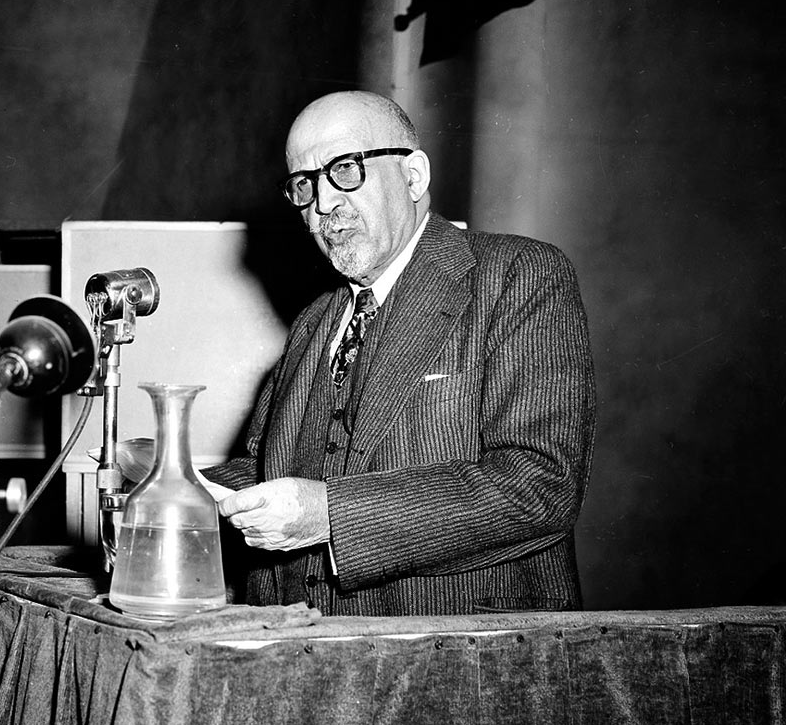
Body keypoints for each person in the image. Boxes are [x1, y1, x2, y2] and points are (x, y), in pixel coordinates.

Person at [204, 90, 596, 616]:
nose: (323, 205)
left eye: (345, 169)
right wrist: (178, 494)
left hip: (459, 654)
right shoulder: (316, 319)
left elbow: (538, 484)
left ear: (413, 176)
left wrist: (330, 516)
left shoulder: (518, 275)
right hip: (304, 653)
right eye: (305, 184)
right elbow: (272, 472)